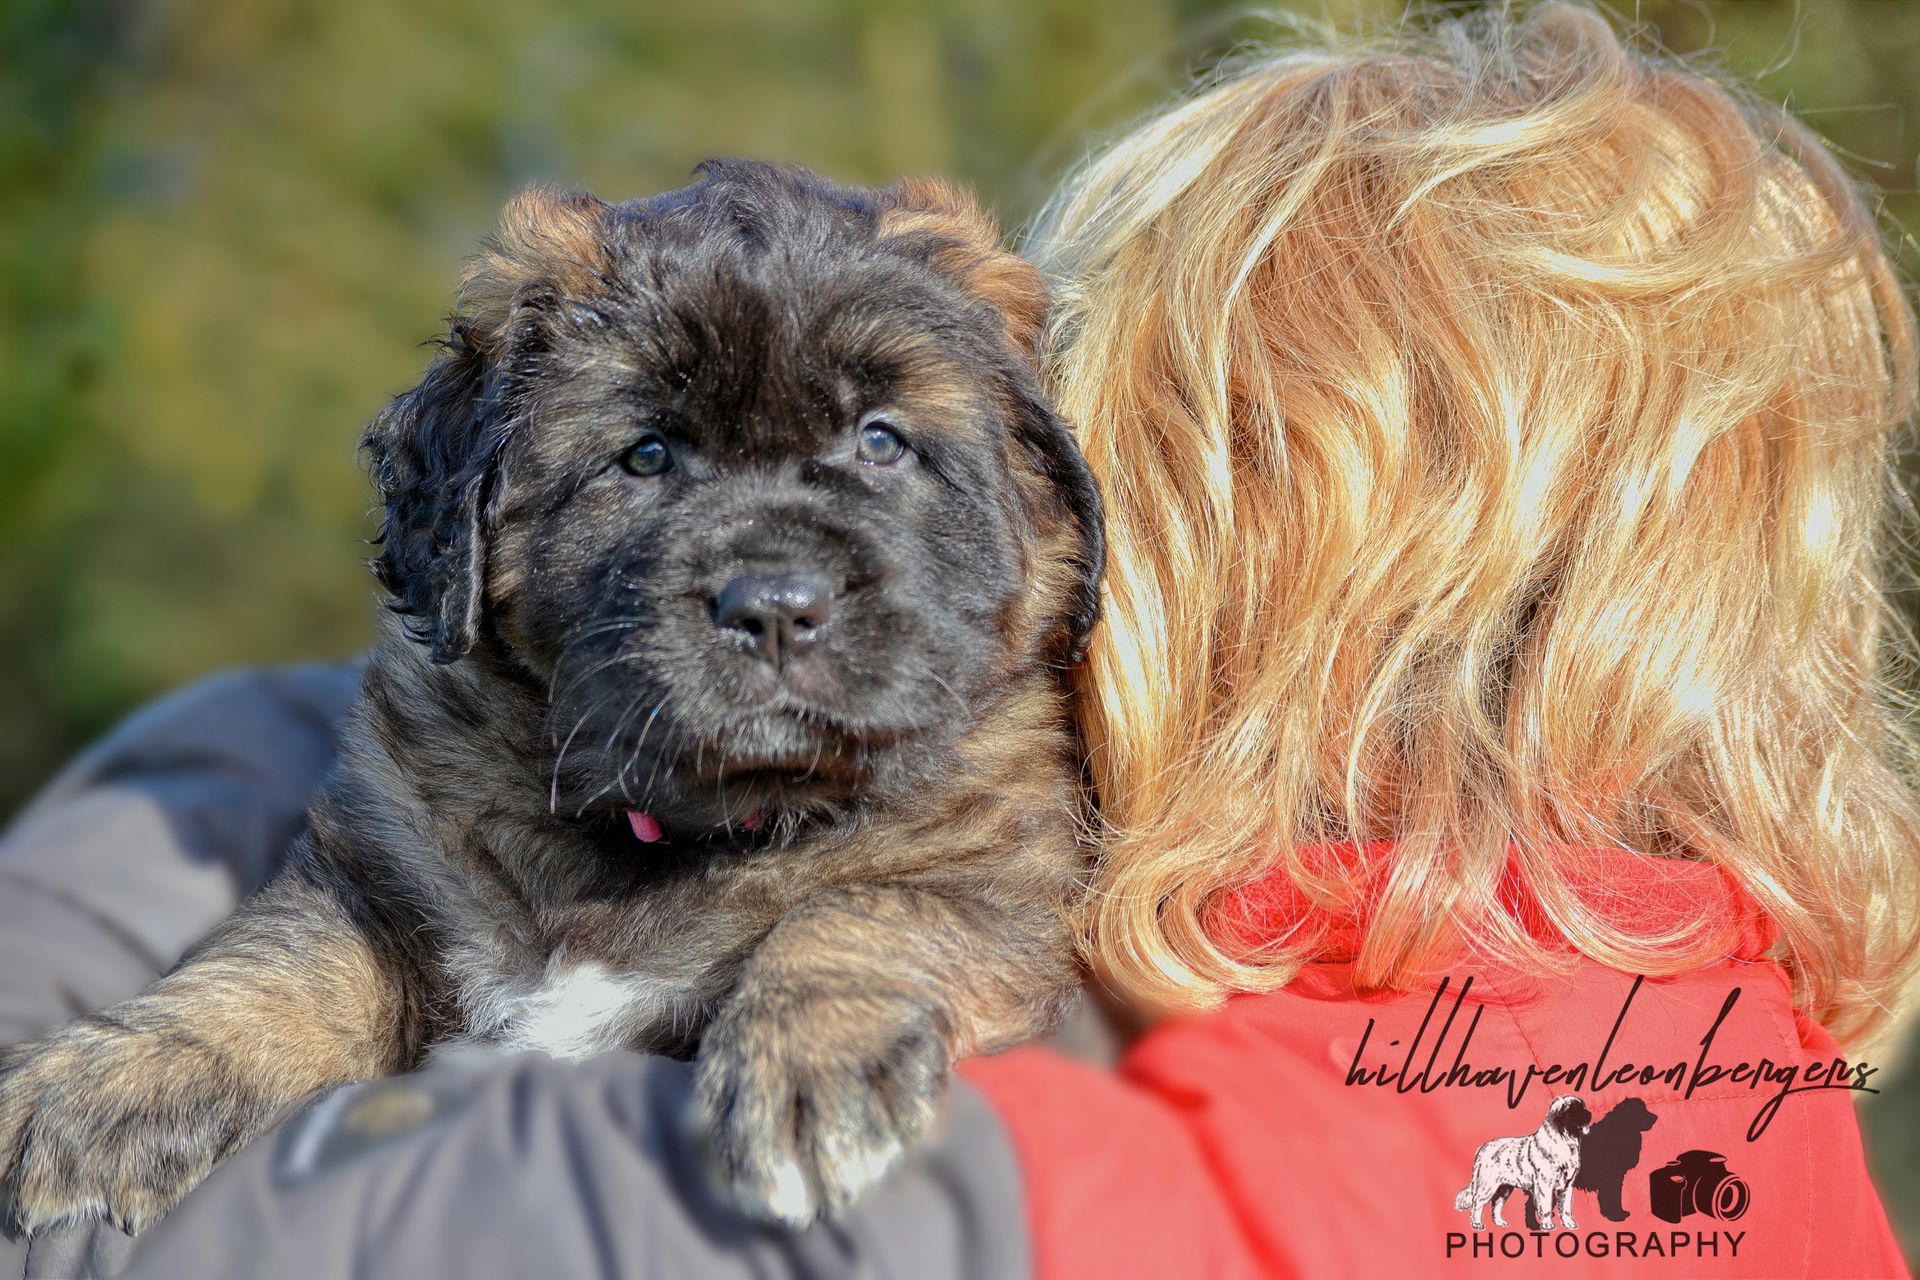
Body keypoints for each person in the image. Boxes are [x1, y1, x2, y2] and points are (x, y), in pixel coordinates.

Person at [3, 4, 1913, 1276]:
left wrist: (203, 780)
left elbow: (147, 1233)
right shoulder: (1713, 1052)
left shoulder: (1197, 1159)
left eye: (1074, 461)